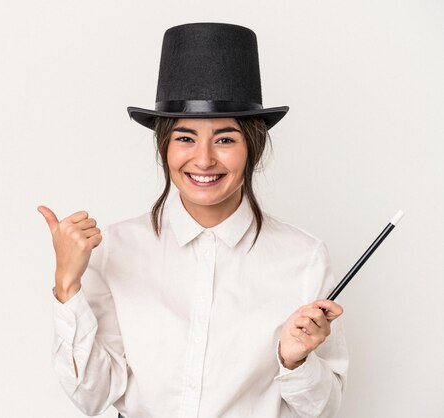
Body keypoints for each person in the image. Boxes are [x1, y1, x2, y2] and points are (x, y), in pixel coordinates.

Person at [38, 23, 348, 418]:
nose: (203, 160)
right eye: (185, 138)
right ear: (164, 146)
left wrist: (295, 362)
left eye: (225, 139)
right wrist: (67, 284)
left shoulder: (303, 258)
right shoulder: (113, 248)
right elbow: (92, 395)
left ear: (252, 147)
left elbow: (324, 411)